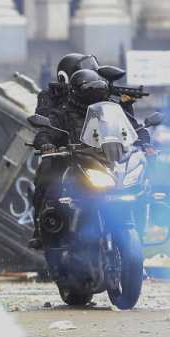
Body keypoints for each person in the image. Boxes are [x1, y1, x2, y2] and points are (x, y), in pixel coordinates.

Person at [29, 68, 148, 248]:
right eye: (90, 92)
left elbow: (133, 128)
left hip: (108, 163)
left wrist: (144, 141)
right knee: (51, 187)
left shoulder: (110, 111)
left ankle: (139, 237)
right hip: (76, 164)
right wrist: (47, 144)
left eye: (98, 91)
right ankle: (44, 229)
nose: (95, 95)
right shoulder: (62, 113)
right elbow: (46, 132)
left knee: (143, 188)